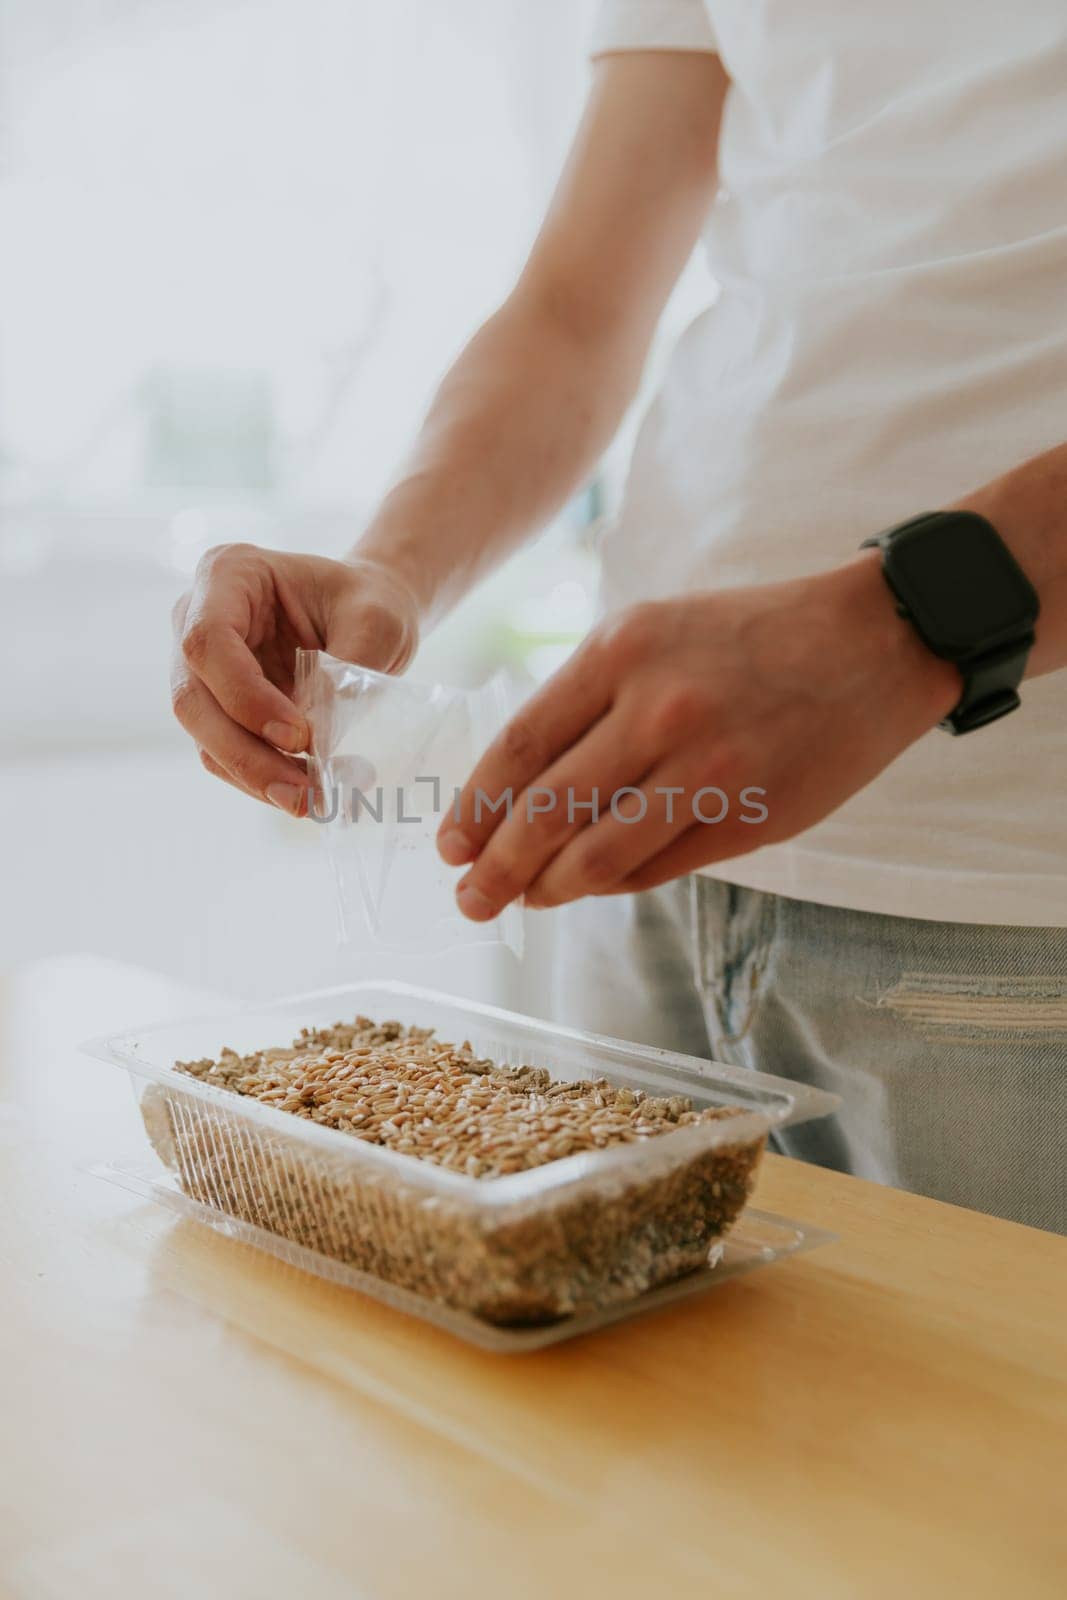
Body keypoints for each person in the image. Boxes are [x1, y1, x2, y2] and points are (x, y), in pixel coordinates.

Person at [170, 2, 1067, 1233]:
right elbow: (576, 309)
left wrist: (901, 627)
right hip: (635, 855)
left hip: (1009, 910)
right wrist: (390, 568)